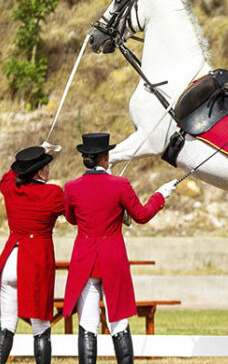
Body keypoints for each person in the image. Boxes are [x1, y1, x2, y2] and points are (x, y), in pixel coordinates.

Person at [62, 133, 176, 364]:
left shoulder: (72, 187)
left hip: (85, 259)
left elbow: (71, 218)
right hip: (112, 258)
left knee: (87, 323)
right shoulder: (119, 184)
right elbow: (142, 215)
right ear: (106, 157)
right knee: (119, 322)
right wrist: (160, 196)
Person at [0, 146, 65, 364]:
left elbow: (6, 176)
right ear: (40, 172)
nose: (49, 170)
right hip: (34, 263)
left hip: (11, 260)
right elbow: (74, 212)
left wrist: (26, 162)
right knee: (41, 327)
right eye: (46, 166)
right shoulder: (52, 193)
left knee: (7, 324)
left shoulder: (11, 188)